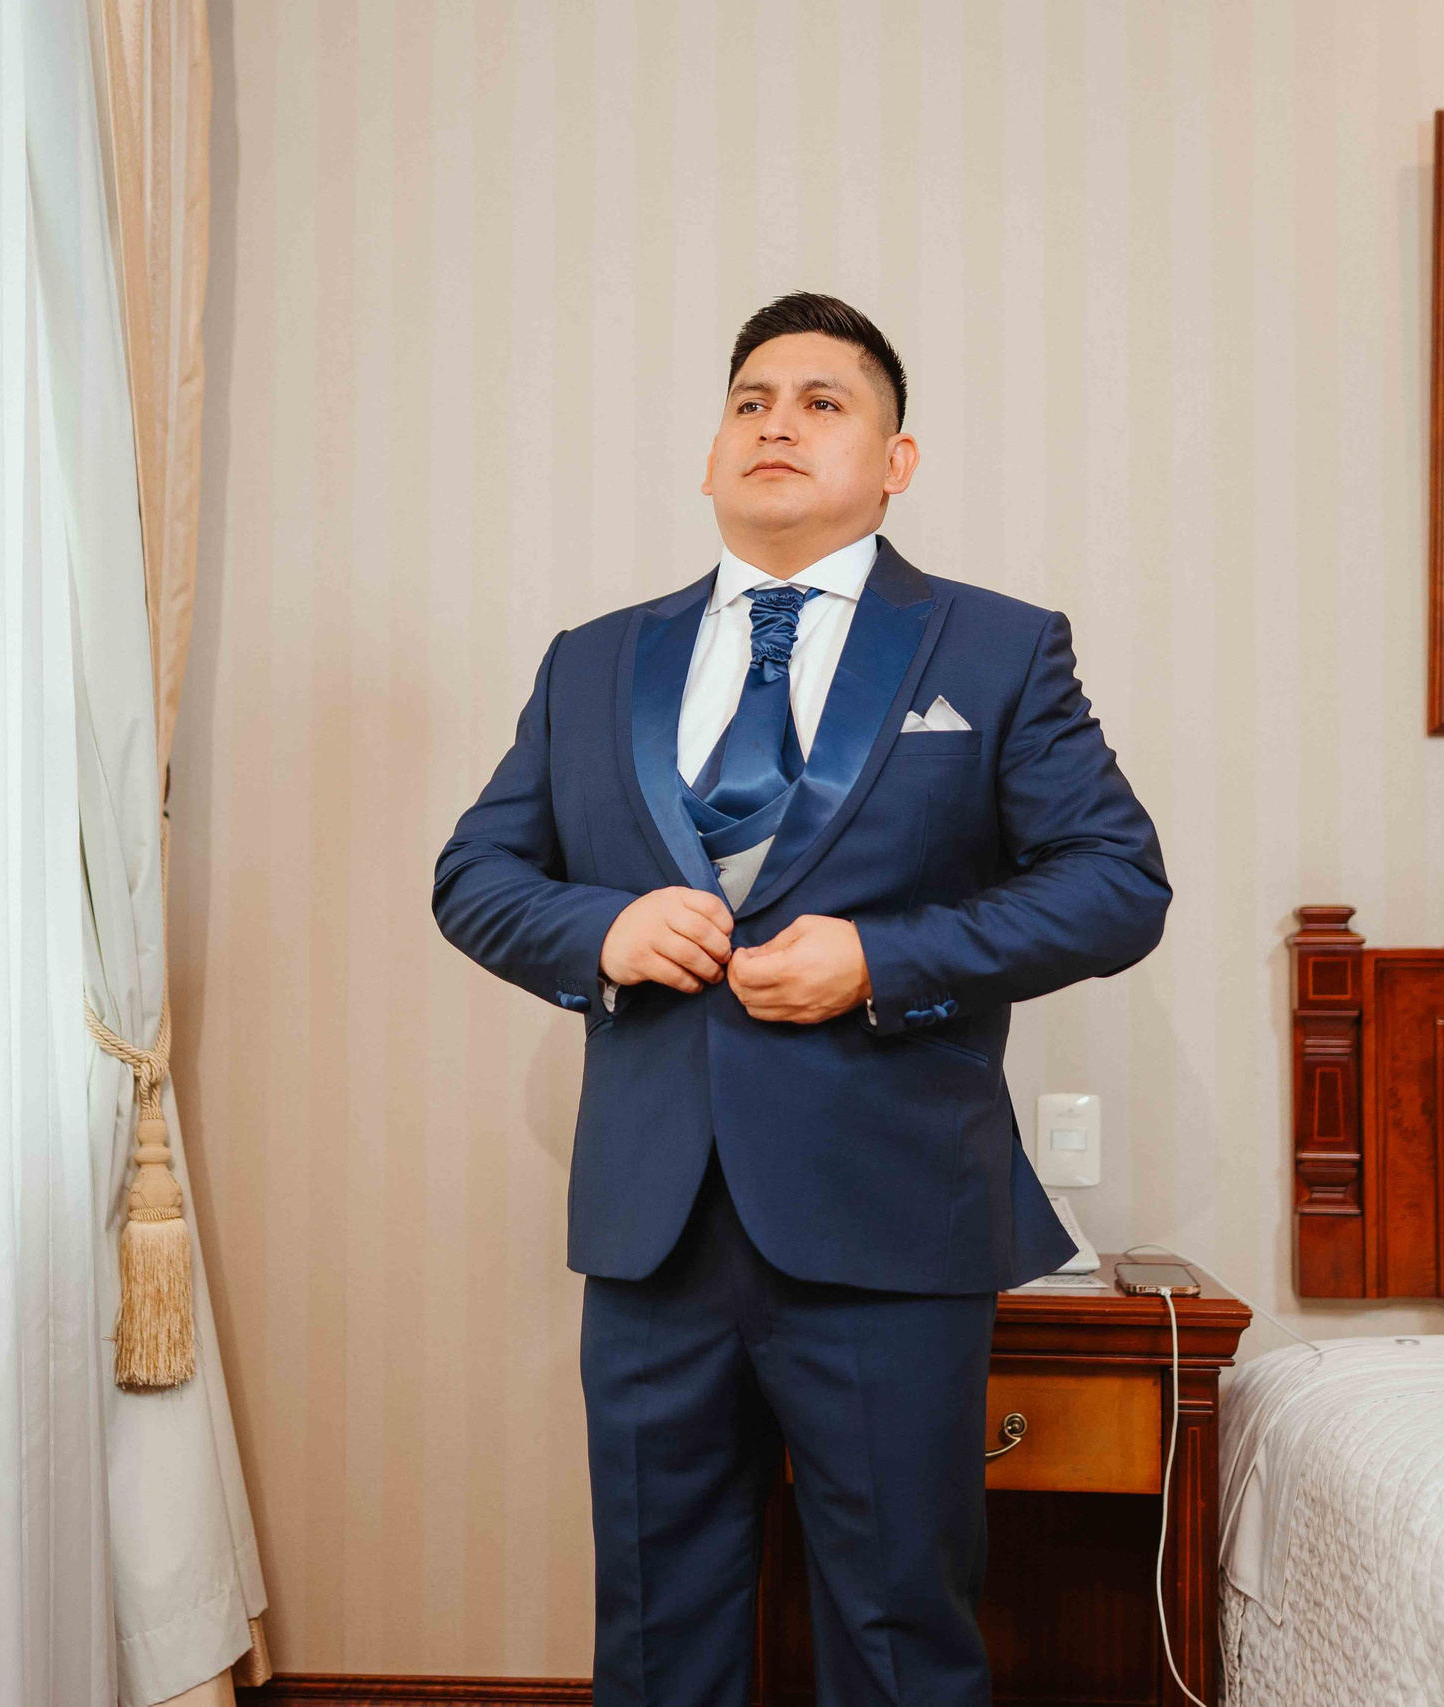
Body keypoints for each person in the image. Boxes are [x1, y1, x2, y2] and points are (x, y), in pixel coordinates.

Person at [432, 292, 1169, 1707]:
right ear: (712, 456)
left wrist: (883, 962)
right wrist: (604, 927)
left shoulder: (996, 649)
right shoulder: (594, 660)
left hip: (890, 1222)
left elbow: (1115, 885)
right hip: (651, 1230)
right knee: (656, 1642)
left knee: (900, 1639)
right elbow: (476, 875)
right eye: (750, 401)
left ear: (897, 462)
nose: (778, 422)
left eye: (824, 402)